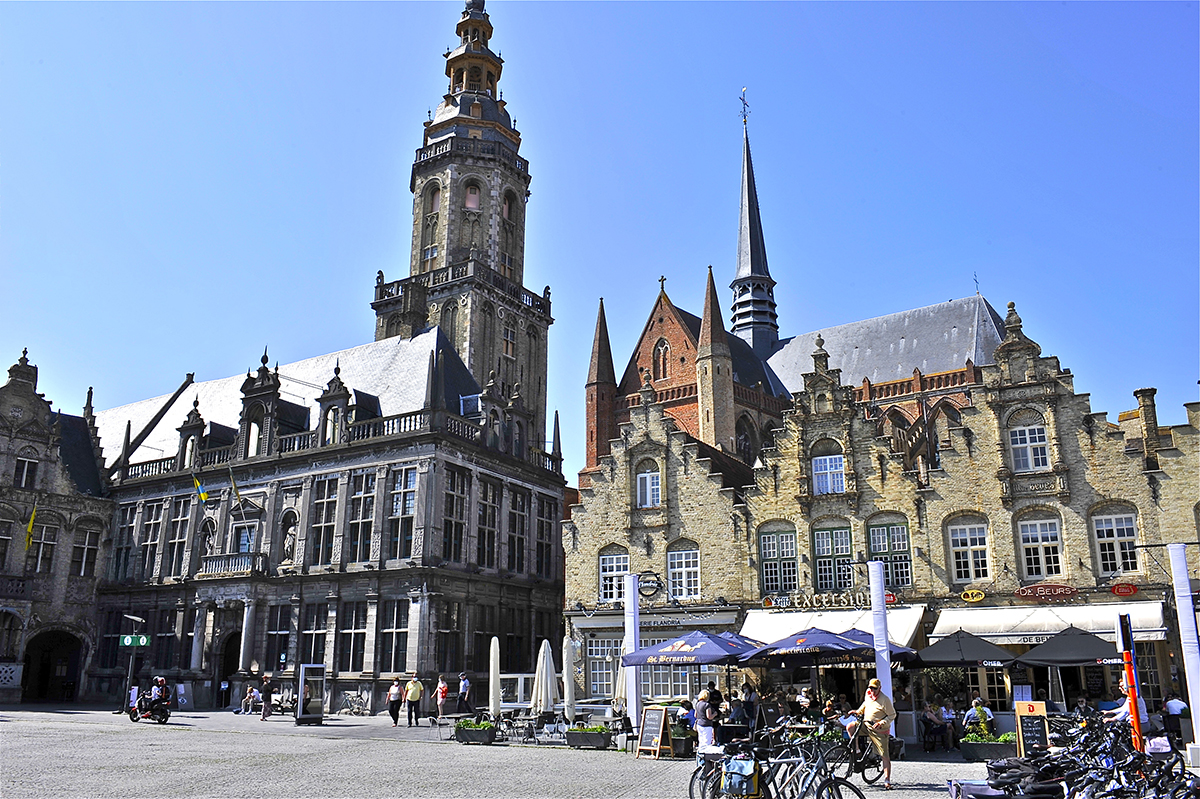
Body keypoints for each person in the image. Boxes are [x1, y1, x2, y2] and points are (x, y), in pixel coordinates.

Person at [849, 678, 897, 790]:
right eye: (870, 687)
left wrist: (882, 722)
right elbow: (866, 704)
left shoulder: (885, 699)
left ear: (879, 688)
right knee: (850, 726)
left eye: (874, 688)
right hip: (866, 725)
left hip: (878, 729)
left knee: (884, 755)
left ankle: (887, 780)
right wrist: (858, 711)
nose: (872, 690)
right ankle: (856, 750)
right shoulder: (868, 694)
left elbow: (892, 715)